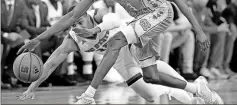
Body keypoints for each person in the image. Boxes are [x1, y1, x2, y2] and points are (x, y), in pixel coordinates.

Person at [18, 0, 221, 104]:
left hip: (159, 13)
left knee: (116, 40)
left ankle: (89, 95)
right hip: (133, 36)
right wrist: (38, 40)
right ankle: (198, 90)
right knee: (151, 84)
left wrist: (199, 31)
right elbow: (54, 56)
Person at [17, 8, 204, 104]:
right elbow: (50, 64)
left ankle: (194, 92)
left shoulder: (97, 14)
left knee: (150, 70)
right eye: (74, 24)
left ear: (87, 15)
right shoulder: (73, 39)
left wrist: (97, 29)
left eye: (80, 21)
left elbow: (112, 19)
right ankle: (178, 89)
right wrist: (32, 87)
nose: (78, 26)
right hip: (117, 58)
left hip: (130, 37)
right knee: (150, 96)